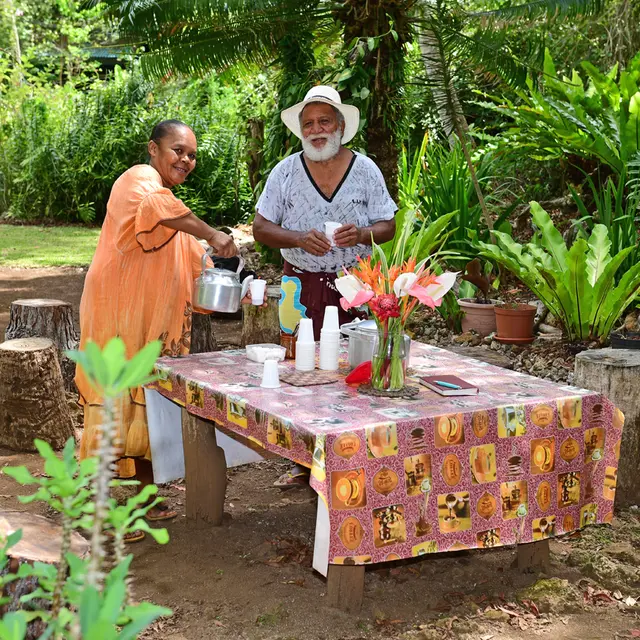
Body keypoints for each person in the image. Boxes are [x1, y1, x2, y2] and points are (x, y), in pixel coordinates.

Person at [76, 119, 243, 541]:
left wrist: (240, 289)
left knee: (146, 406)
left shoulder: (175, 219)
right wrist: (212, 233)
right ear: (153, 149)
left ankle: (143, 499)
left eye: (192, 156)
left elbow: (195, 278)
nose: (186, 160)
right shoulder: (141, 181)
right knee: (115, 406)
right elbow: (157, 208)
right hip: (115, 317)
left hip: (148, 329)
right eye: (178, 150)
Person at [253, 86, 397, 487]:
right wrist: (298, 238)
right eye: (308, 124)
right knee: (299, 367)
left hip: (356, 285)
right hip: (299, 284)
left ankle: (354, 458)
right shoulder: (285, 172)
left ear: (340, 126)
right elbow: (260, 228)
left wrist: (363, 234)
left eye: (324, 122)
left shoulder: (365, 170)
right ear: (301, 131)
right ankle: (303, 463)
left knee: (355, 368)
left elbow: (389, 224)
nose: (316, 130)